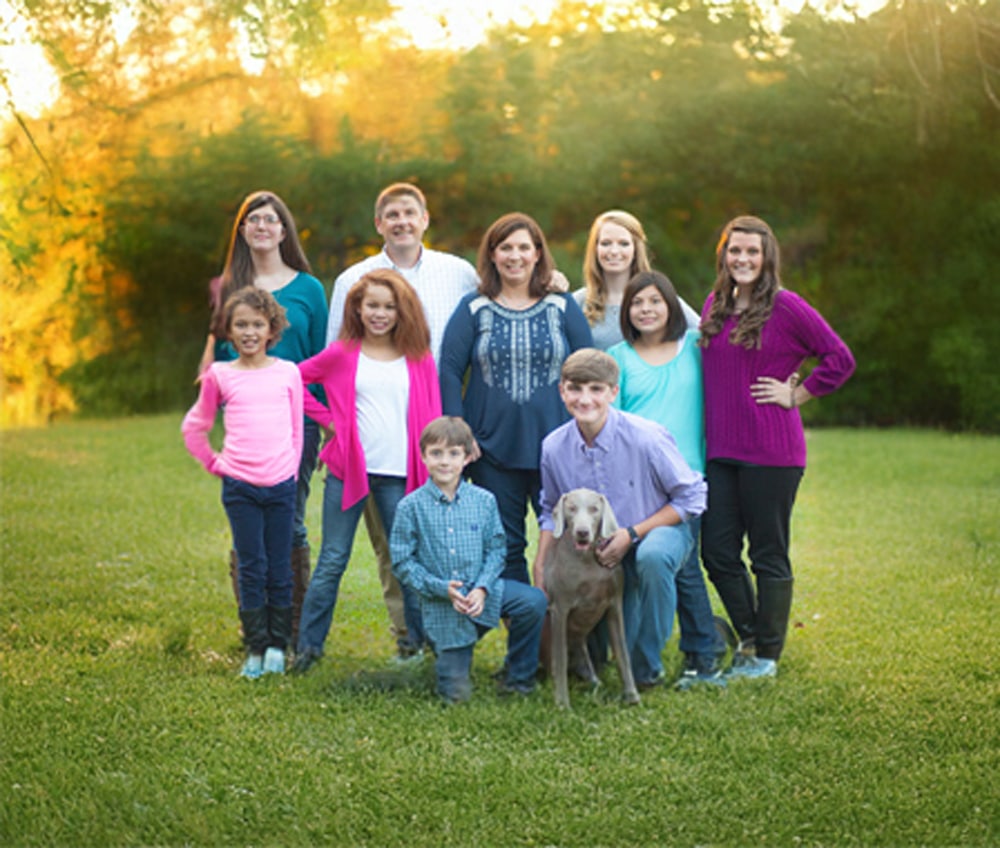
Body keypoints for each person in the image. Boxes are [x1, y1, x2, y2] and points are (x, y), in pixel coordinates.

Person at [325, 183, 479, 658]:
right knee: (395, 545)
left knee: (443, 538)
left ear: (425, 219)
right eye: (391, 214)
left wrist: (551, 281)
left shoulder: (459, 272)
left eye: (410, 212)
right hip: (381, 430)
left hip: (442, 428)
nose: (401, 221)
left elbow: (501, 298)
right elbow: (333, 359)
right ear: (379, 224)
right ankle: (409, 640)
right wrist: (338, 430)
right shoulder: (354, 279)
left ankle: (449, 635)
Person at [699, 215, 855, 679]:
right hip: (721, 452)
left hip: (772, 452)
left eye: (752, 251)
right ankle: (751, 634)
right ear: (724, 256)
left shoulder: (787, 307)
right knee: (717, 552)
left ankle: (766, 655)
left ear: (767, 257)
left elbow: (839, 358)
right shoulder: (714, 305)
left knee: (767, 552)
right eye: (735, 250)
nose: (743, 258)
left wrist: (797, 394)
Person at [291, 269, 442, 674]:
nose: (380, 313)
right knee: (332, 559)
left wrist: (433, 467)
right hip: (348, 470)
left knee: (405, 561)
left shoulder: (418, 358)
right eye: (372, 305)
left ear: (402, 311)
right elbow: (294, 380)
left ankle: (416, 646)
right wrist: (328, 419)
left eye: (389, 307)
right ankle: (308, 649)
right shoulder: (342, 353)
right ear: (357, 308)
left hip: (400, 476)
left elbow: (432, 414)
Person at [532, 349, 707, 690]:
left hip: (659, 532)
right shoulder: (554, 447)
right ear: (562, 391)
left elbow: (692, 497)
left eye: (596, 389)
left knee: (652, 556)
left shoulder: (647, 436)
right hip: (601, 551)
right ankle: (593, 656)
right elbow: (550, 507)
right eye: (575, 388)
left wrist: (632, 533)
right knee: (602, 646)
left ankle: (646, 669)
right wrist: (541, 563)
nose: (585, 399)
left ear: (613, 392)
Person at [199, 190, 328, 646]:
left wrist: (328, 424)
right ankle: (255, 632)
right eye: (253, 219)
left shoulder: (309, 289)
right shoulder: (228, 286)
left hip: (298, 421)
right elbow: (219, 353)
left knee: (289, 519)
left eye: (271, 219)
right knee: (248, 526)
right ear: (242, 230)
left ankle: (290, 632)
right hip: (247, 423)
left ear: (284, 230)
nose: (262, 226)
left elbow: (321, 359)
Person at [439, 212, 593, 584]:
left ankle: (562, 619)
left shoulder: (561, 305)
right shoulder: (473, 307)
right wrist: (459, 431)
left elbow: (588, 368)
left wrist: (587, 431)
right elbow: (449, 370)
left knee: (565, 541)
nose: (515, 256)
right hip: (490, 449)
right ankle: (523, 619)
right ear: (492, 255)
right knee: (504, 546)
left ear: (538, 253)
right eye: (505, 247)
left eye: (524, 247)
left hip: (558, 446)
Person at [608, 270, 723, 687]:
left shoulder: (695, 346)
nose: (646, 309)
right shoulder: (618, 358)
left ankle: (701, 652)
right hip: (637, 488)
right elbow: (613, 430)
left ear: (671, 305)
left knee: (679, 564)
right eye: (637, 303)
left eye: (655, 301)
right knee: (654, 567)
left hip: (687, 483)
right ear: (627, 311)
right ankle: (666, 653)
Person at [182, 287, 303, 678]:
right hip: (240, 488)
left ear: (271, 329)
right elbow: (195, 426)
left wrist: (290, 470)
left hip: (281, 485)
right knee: (251, 565)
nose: (250, 332)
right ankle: (255, 647)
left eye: (257, 324)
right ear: (229, 332)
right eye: (241, 325)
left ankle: (278, 647)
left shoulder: (288, 372)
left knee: (280, 567)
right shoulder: (220, 375)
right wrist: (214, 463)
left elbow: (297, 429)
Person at [390, 417, 548, 702]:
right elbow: (402, 563)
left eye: (453, 453)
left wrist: (482, 588)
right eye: (436, 453)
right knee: (456, 697)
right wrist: (441, 588)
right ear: (423, 456)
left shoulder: (484, 500)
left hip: (484, 594)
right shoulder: (410, 507)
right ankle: (449, 656)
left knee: (532, 600)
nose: (444, 462)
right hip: (443, 607)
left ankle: (519, 679)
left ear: (467, 458)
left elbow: (497, 549)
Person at [575, 210, 699, 351]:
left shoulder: (659, 298)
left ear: (635, 249)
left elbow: (703, 335)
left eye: (623, 244)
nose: (614, 251)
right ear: (595, 249)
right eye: (606, 243)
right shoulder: (578, 302)